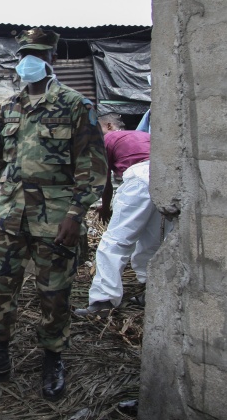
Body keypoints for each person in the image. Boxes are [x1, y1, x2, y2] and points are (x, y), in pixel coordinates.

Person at [0, 28, 107, 401]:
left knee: (54, 292)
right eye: (25, 52)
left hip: (55, 219)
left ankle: (53, 359)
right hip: (10, 214)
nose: (30, 59)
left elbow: (91, 167)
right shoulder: (8, 107)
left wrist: (76, 214)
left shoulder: (76, 105)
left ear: (50, 59)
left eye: (38, 53)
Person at [75, 113, 161, 315]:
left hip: (139, 179)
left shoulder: (108, 139)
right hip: (162, 177)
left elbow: (104, 183)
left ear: (109, 126)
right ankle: (153, 293)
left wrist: (105, 208)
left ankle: (103, 300)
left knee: (114, 243)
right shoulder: (143, 136)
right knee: (151, 242)